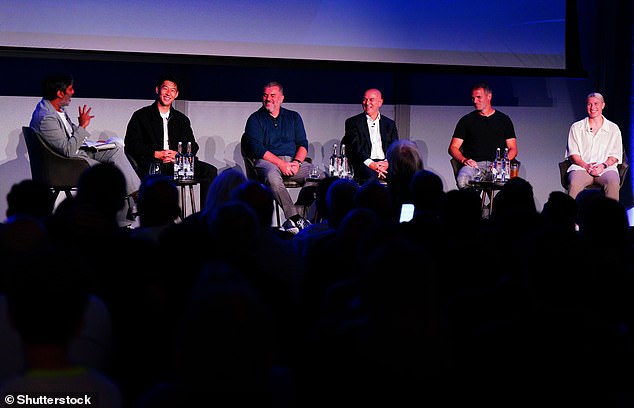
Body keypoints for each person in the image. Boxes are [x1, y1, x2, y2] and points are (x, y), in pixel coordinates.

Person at [29, 73, 140, 201]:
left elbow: (69, 137)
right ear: (60, 93)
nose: (73, 92)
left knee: (115, 150)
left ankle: (137, 195)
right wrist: (82, 126)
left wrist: (96, 144)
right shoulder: (46, 118)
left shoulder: (57, 110)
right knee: (110, 173)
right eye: (70, 89)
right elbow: (68, 150)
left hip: (77, 153)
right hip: (67, 164)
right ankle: (121, 208)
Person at [124, 74, 218, 208]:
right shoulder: (141, 116)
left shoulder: (181, 119)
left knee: (210, 171)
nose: (168, 93)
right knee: (154, 174)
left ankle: (206, 216)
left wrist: (178, 155)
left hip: (177, 164)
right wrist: (156, 154)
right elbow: (131, 145)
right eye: (165, 89)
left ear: (176, 94)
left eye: (172, 90)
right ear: (157, 90)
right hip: (153, 163)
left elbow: (193, 146)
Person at [240, 81, 312, 233]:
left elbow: (303, 144)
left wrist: (297, 162)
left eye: (272, 95)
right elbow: (257, 148)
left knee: (319, 177)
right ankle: (295, 218)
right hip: (268, 162)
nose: (268, 99)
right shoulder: (255, 119)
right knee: (272, 177)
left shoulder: (293, 117)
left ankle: (300, 212)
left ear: (281, 98)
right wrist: (281, 164)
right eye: (265, 95)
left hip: (293, 162)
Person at [448, 82, 518, 189]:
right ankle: (473, 205)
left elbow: (513, 148)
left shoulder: (504, 120)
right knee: (463, 180)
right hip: (474, 165)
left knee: (510, 186)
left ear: (489, 96)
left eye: (478, 97)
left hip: (496, 167)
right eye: (473, 98)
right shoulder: (466, 120)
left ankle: (496, 205)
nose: (475, 101)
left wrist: (502, 163)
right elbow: (453, 147)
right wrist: (464, 160)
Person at [564, 92, 623, 201]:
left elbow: (615, 156)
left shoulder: (613, 128)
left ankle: (612, 216)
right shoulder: (576, 127)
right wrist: (586, 166)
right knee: (575, 183)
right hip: (582, 167)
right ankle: (572, 217)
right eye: (589, 104)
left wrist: (603, 165)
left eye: (596, 103)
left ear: (603, 105)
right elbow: (574, 154)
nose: (593, 107)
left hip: (605, 168)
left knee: (613, 182)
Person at [341, 88, 399, 183]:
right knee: (371, 178)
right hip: (365, 162)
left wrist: (386, 163)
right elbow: (356, 148)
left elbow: (394, 147)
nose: (367, 103)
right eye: (365, 99)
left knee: (401, 178)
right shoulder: (353, 122)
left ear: (380, 103)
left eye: (371, 100)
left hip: (385, 163)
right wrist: (372, 164)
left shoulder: (389, 124)